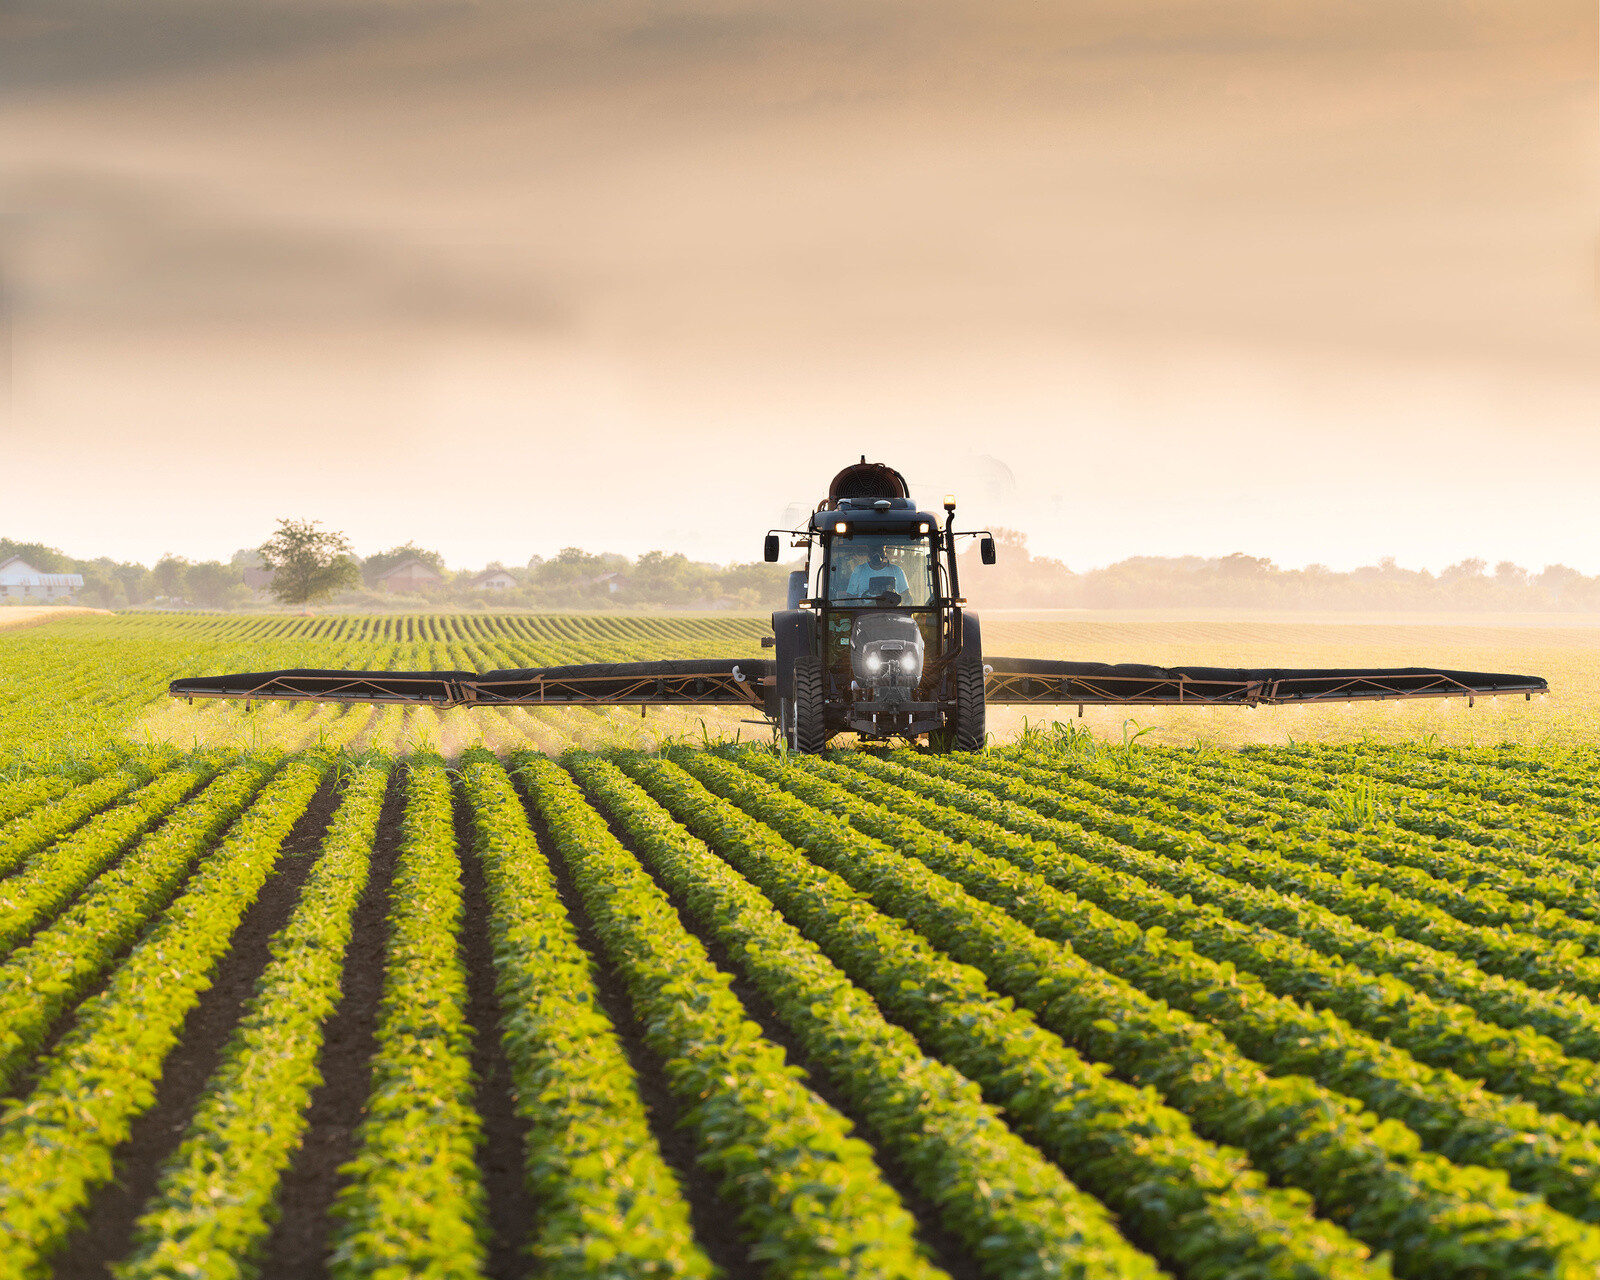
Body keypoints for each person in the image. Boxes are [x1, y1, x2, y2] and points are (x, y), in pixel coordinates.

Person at [842, 541, 909, 602]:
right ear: (869, 553)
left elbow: (906, 596)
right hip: (865, 611)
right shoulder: (859, 570)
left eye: (880, 551)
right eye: (873, 550)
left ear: (884, 553)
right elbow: (850, 596)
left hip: (892, 612)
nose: (876, 554)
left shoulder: (896, 570)